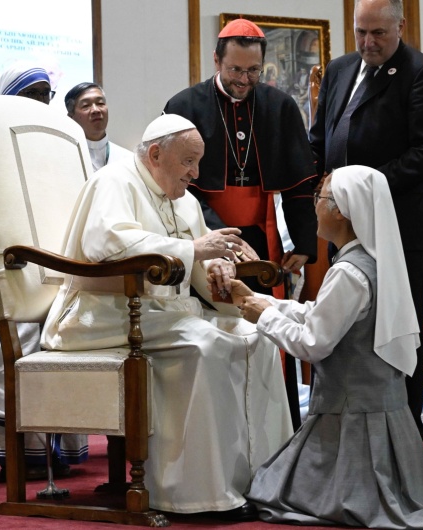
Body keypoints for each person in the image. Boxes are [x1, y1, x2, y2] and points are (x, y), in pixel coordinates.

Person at [227, 165, 423, 527]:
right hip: (380, 414)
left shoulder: (348, 271)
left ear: (342, 210)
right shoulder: (370, 262)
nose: (315, 206)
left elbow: (313, 344)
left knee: (269, 493)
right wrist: (265, 302)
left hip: (352, 422)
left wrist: (262, 315)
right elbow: (321, 314)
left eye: (320, 198)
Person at [41, 114, 292, 522]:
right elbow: (105, 244)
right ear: (156, 154)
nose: (195, 174)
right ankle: (193, 493)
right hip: (100, 314)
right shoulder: (115, 181)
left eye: (198, 163)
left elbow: (193, 267)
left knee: (257, 336)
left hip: (161, 313)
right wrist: (194, 248)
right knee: (205, 345)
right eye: (188, 162)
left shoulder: (185, 199)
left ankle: (260, 481)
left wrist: (219, 270)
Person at [164, 17, 318, 431]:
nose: (244, 80)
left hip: (261, 236)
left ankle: (276, 428)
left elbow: (302, 181)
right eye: (235, 70)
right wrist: (216, 234)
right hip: (203, 232)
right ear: (216, 60)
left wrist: (303, 242)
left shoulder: (279, 106)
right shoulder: (185, 106)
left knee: (266, 327)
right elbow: (178, 187)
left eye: (253, 71)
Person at [309, 0, 423, 437]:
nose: (368, 43)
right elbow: (320, 139)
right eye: (361, 33)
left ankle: (402, 438)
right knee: (344, 328)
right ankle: (341, 432)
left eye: (378, 34)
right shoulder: (338, 71)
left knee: (397, 332)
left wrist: (364, 190)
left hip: (400, 225)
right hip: (343, 226)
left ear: (400, 27)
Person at [0, 64, 89, 478]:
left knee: (54, 350)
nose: (41, 103)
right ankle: (14, 455)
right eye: (32, 94)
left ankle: (51, 451)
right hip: (9, 266)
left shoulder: (57, 141)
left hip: (55, 265)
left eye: (45, 94)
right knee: (10, 355)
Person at [64, 82, 131, 171]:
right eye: (85, 106)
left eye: (100, 103)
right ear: (71, 118)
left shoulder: (128, 159)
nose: (96, 110)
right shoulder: (65, 158)